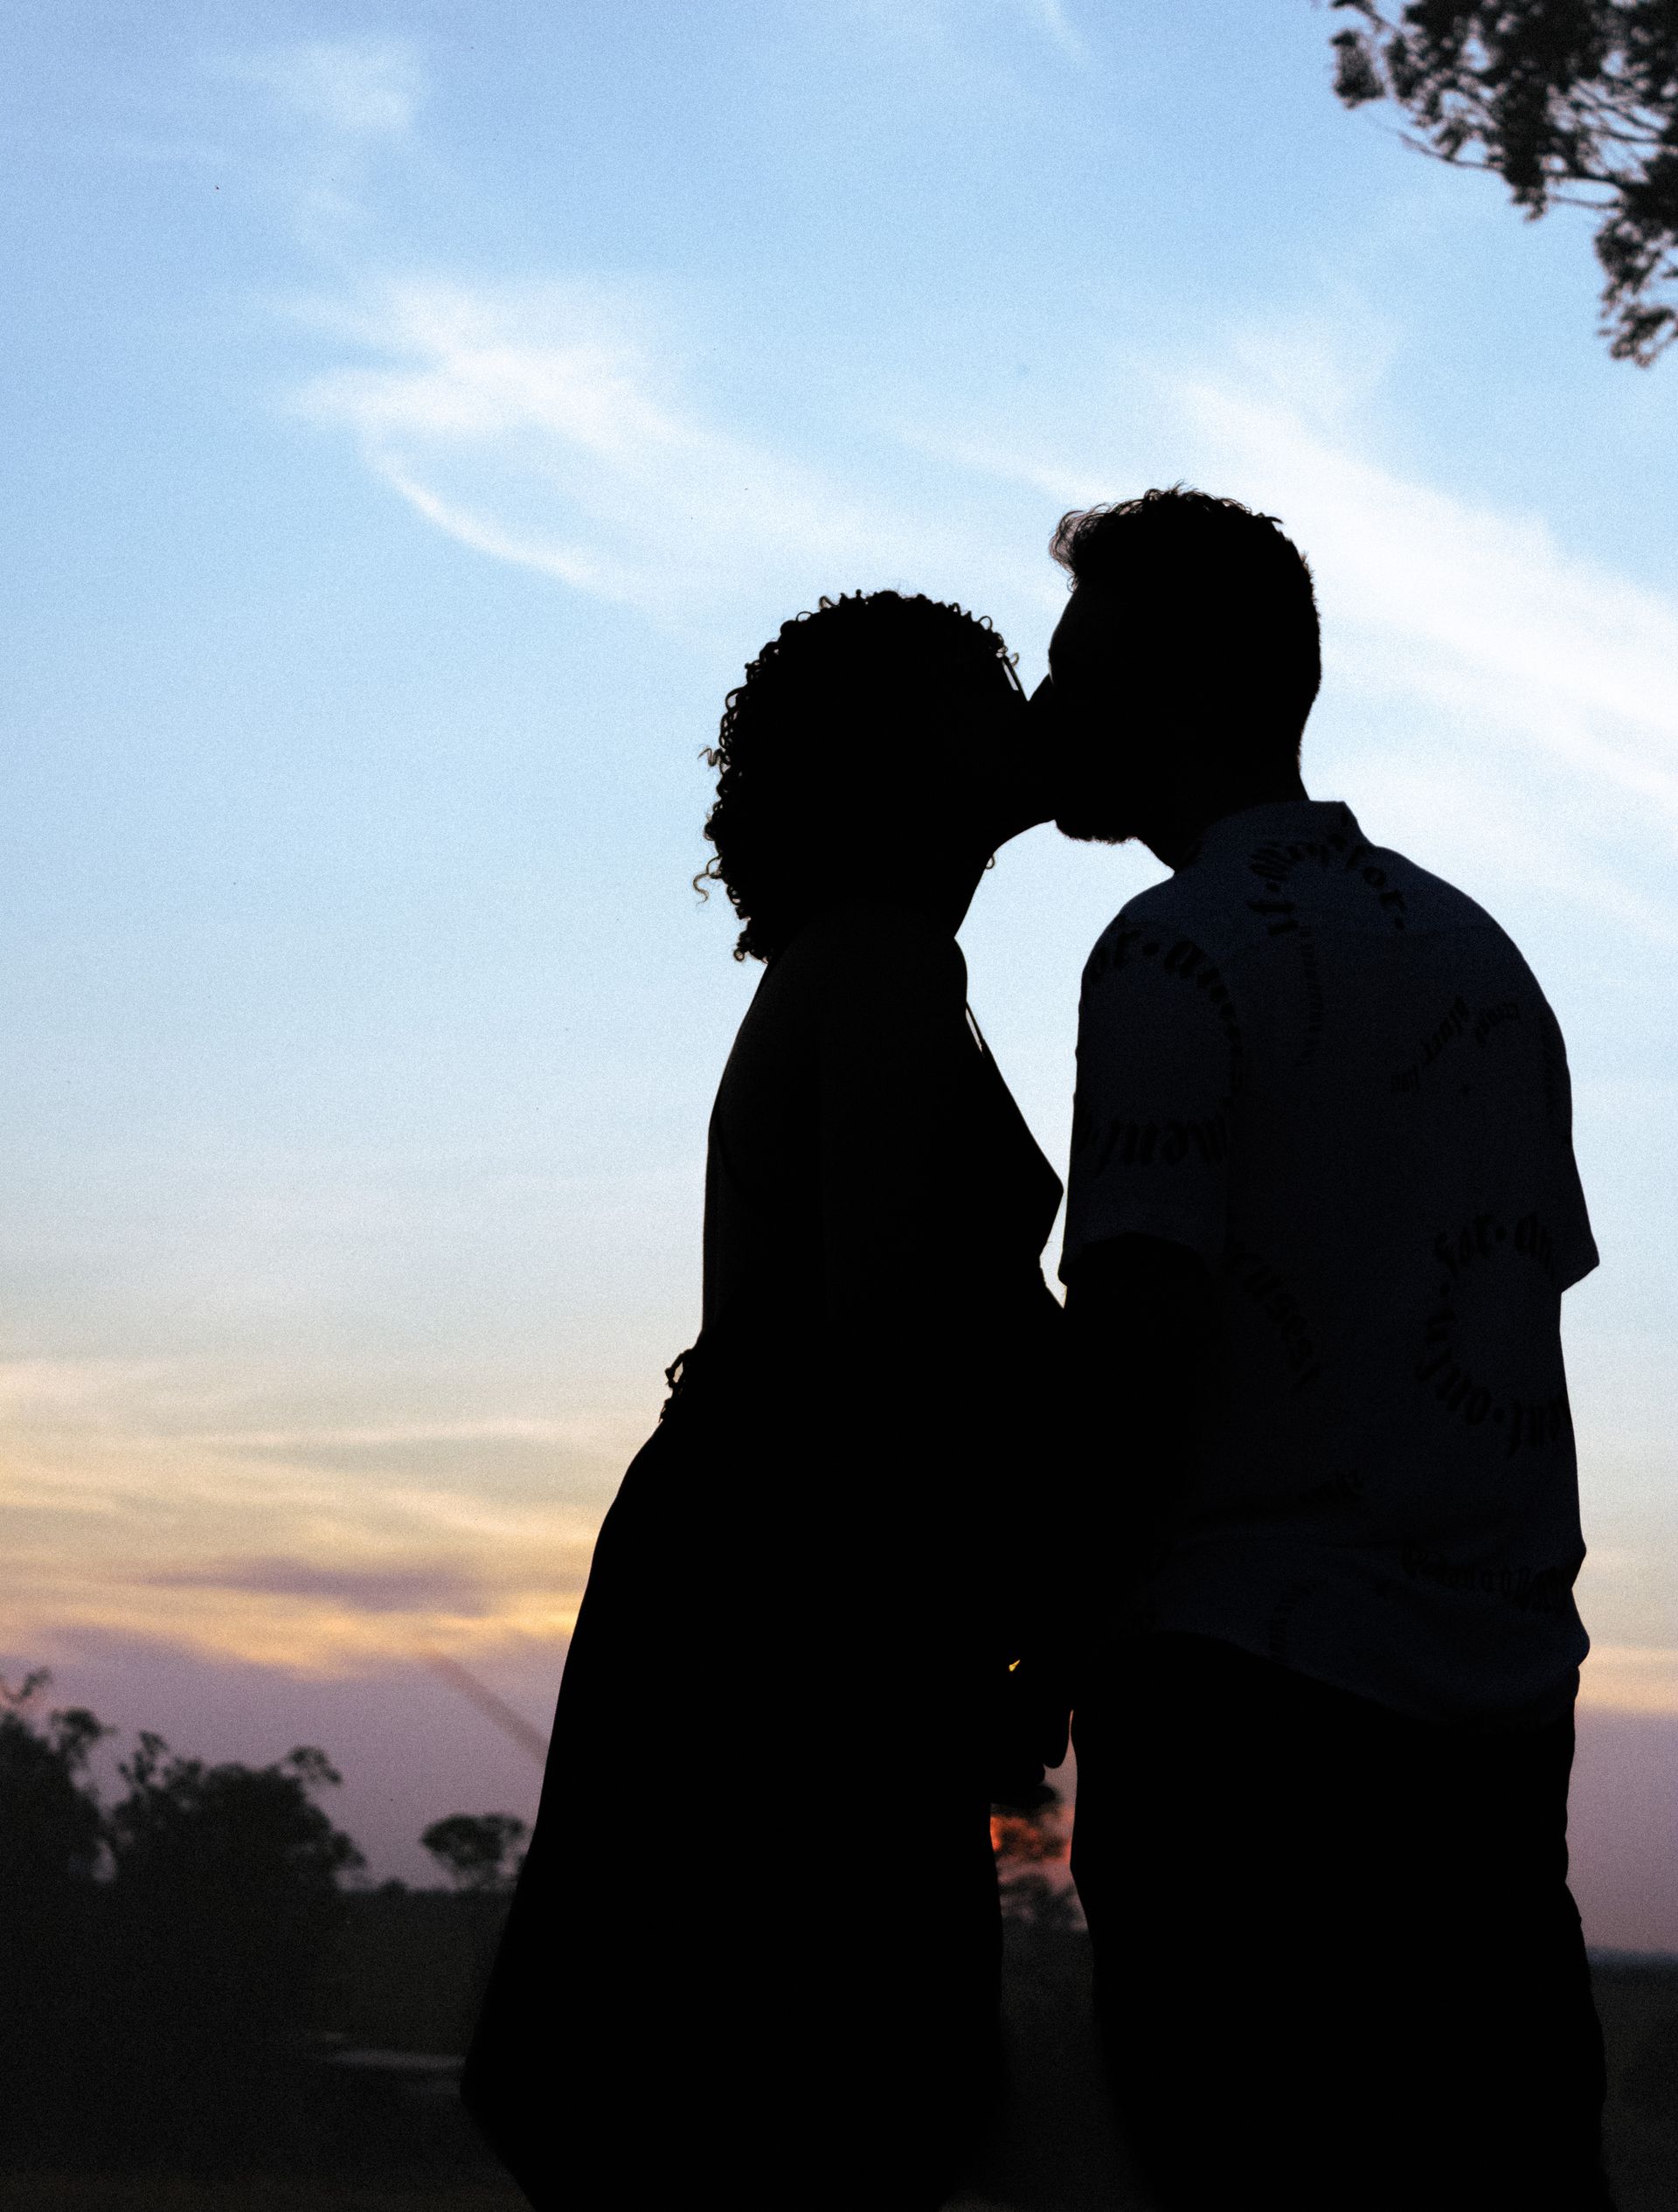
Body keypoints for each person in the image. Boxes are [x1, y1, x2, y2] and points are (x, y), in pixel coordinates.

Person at [1037, 488, 1612, 2211]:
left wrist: (1042, 1659)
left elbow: (1141, 1338)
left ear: (1190, 700)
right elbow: (1519, 1309)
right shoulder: (1478, 955)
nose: (1047, 712)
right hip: (1498, 1734)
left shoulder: (1168, 955)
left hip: (1246, 1729)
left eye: (1081, 670)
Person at [461, 590, 1066, 2211]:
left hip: (771, 1561)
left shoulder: (879, 964)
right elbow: (890, 1345)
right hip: (794, 1592)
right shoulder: (874, 966)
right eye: (974, 694)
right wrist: (1012, 1625)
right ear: (896, 759)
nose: (1016, 718)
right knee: (789, 2096)